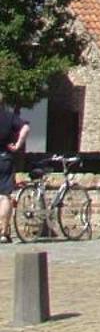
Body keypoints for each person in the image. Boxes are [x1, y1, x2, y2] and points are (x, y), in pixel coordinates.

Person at [0, 102, 30, 243]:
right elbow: (25, 128)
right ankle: (4, 232)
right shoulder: (9, 117)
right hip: (4, 158)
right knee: (5, 196)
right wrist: (18, 144)